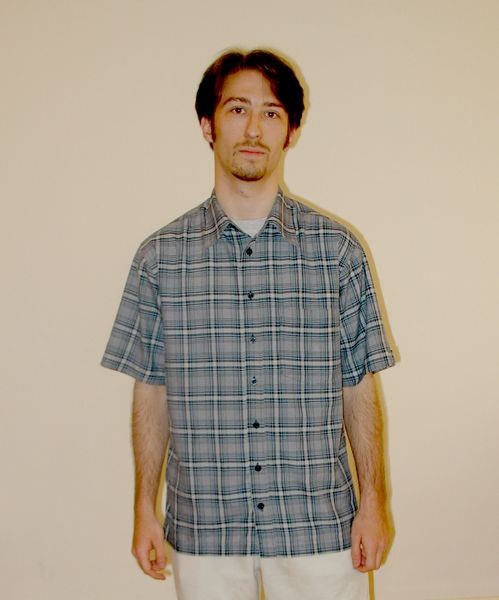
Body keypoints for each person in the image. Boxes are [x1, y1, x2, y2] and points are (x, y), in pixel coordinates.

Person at [102, 48, 395, 600]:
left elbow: (359, 386)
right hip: (205, 531)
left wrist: (375, 502)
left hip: (319, 528)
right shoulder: (159, 259)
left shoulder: (338, 252)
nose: (254, 129)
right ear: (207, 126)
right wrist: (144, 507)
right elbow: (151, 390)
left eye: (272, 113)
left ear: (291, 132)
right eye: (237, 109)